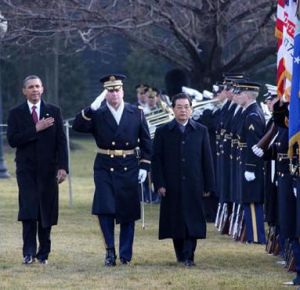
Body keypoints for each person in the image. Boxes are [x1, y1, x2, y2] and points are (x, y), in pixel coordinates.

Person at [72, 74, 152, 266]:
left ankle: (125, 254)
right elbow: (78, 126)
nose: (114, 94)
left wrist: (144, 165)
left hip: (129, 165)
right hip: (105, 165)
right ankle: (109, 250)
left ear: (122, 91)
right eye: (110, 90)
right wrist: (91, 108)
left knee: (128, 211)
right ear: (105, 93)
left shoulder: (136, 112)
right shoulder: (97, 114)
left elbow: (147, 143)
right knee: (105, 209)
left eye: (117, 90)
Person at [7, 75, 68, 265]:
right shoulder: (16, 113)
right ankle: (28, 253)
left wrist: (63, 167)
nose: (35, 90)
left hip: (48, 171)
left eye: (38, 86)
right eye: (31, 87)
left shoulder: (54, 111)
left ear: (43, 89)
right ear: (24, 91)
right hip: (26, 171)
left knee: (46, 212)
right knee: (29, 211)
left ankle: (44, 253)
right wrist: (36, 128)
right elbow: (13, 140)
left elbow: (60, 142)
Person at [151, 93, 215, 267]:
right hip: (172, 184)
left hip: (194, 183)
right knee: (175, 220)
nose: (183, 110)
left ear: (191, 109)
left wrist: (209, 184)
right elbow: (156, 160)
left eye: (186, 107)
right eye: (179, 107)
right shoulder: (163, 131)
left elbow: (207, 159)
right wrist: (159, 183)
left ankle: (189, 255)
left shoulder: (201, 130)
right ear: (173, 109)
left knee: (193, 220)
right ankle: (180, 253)